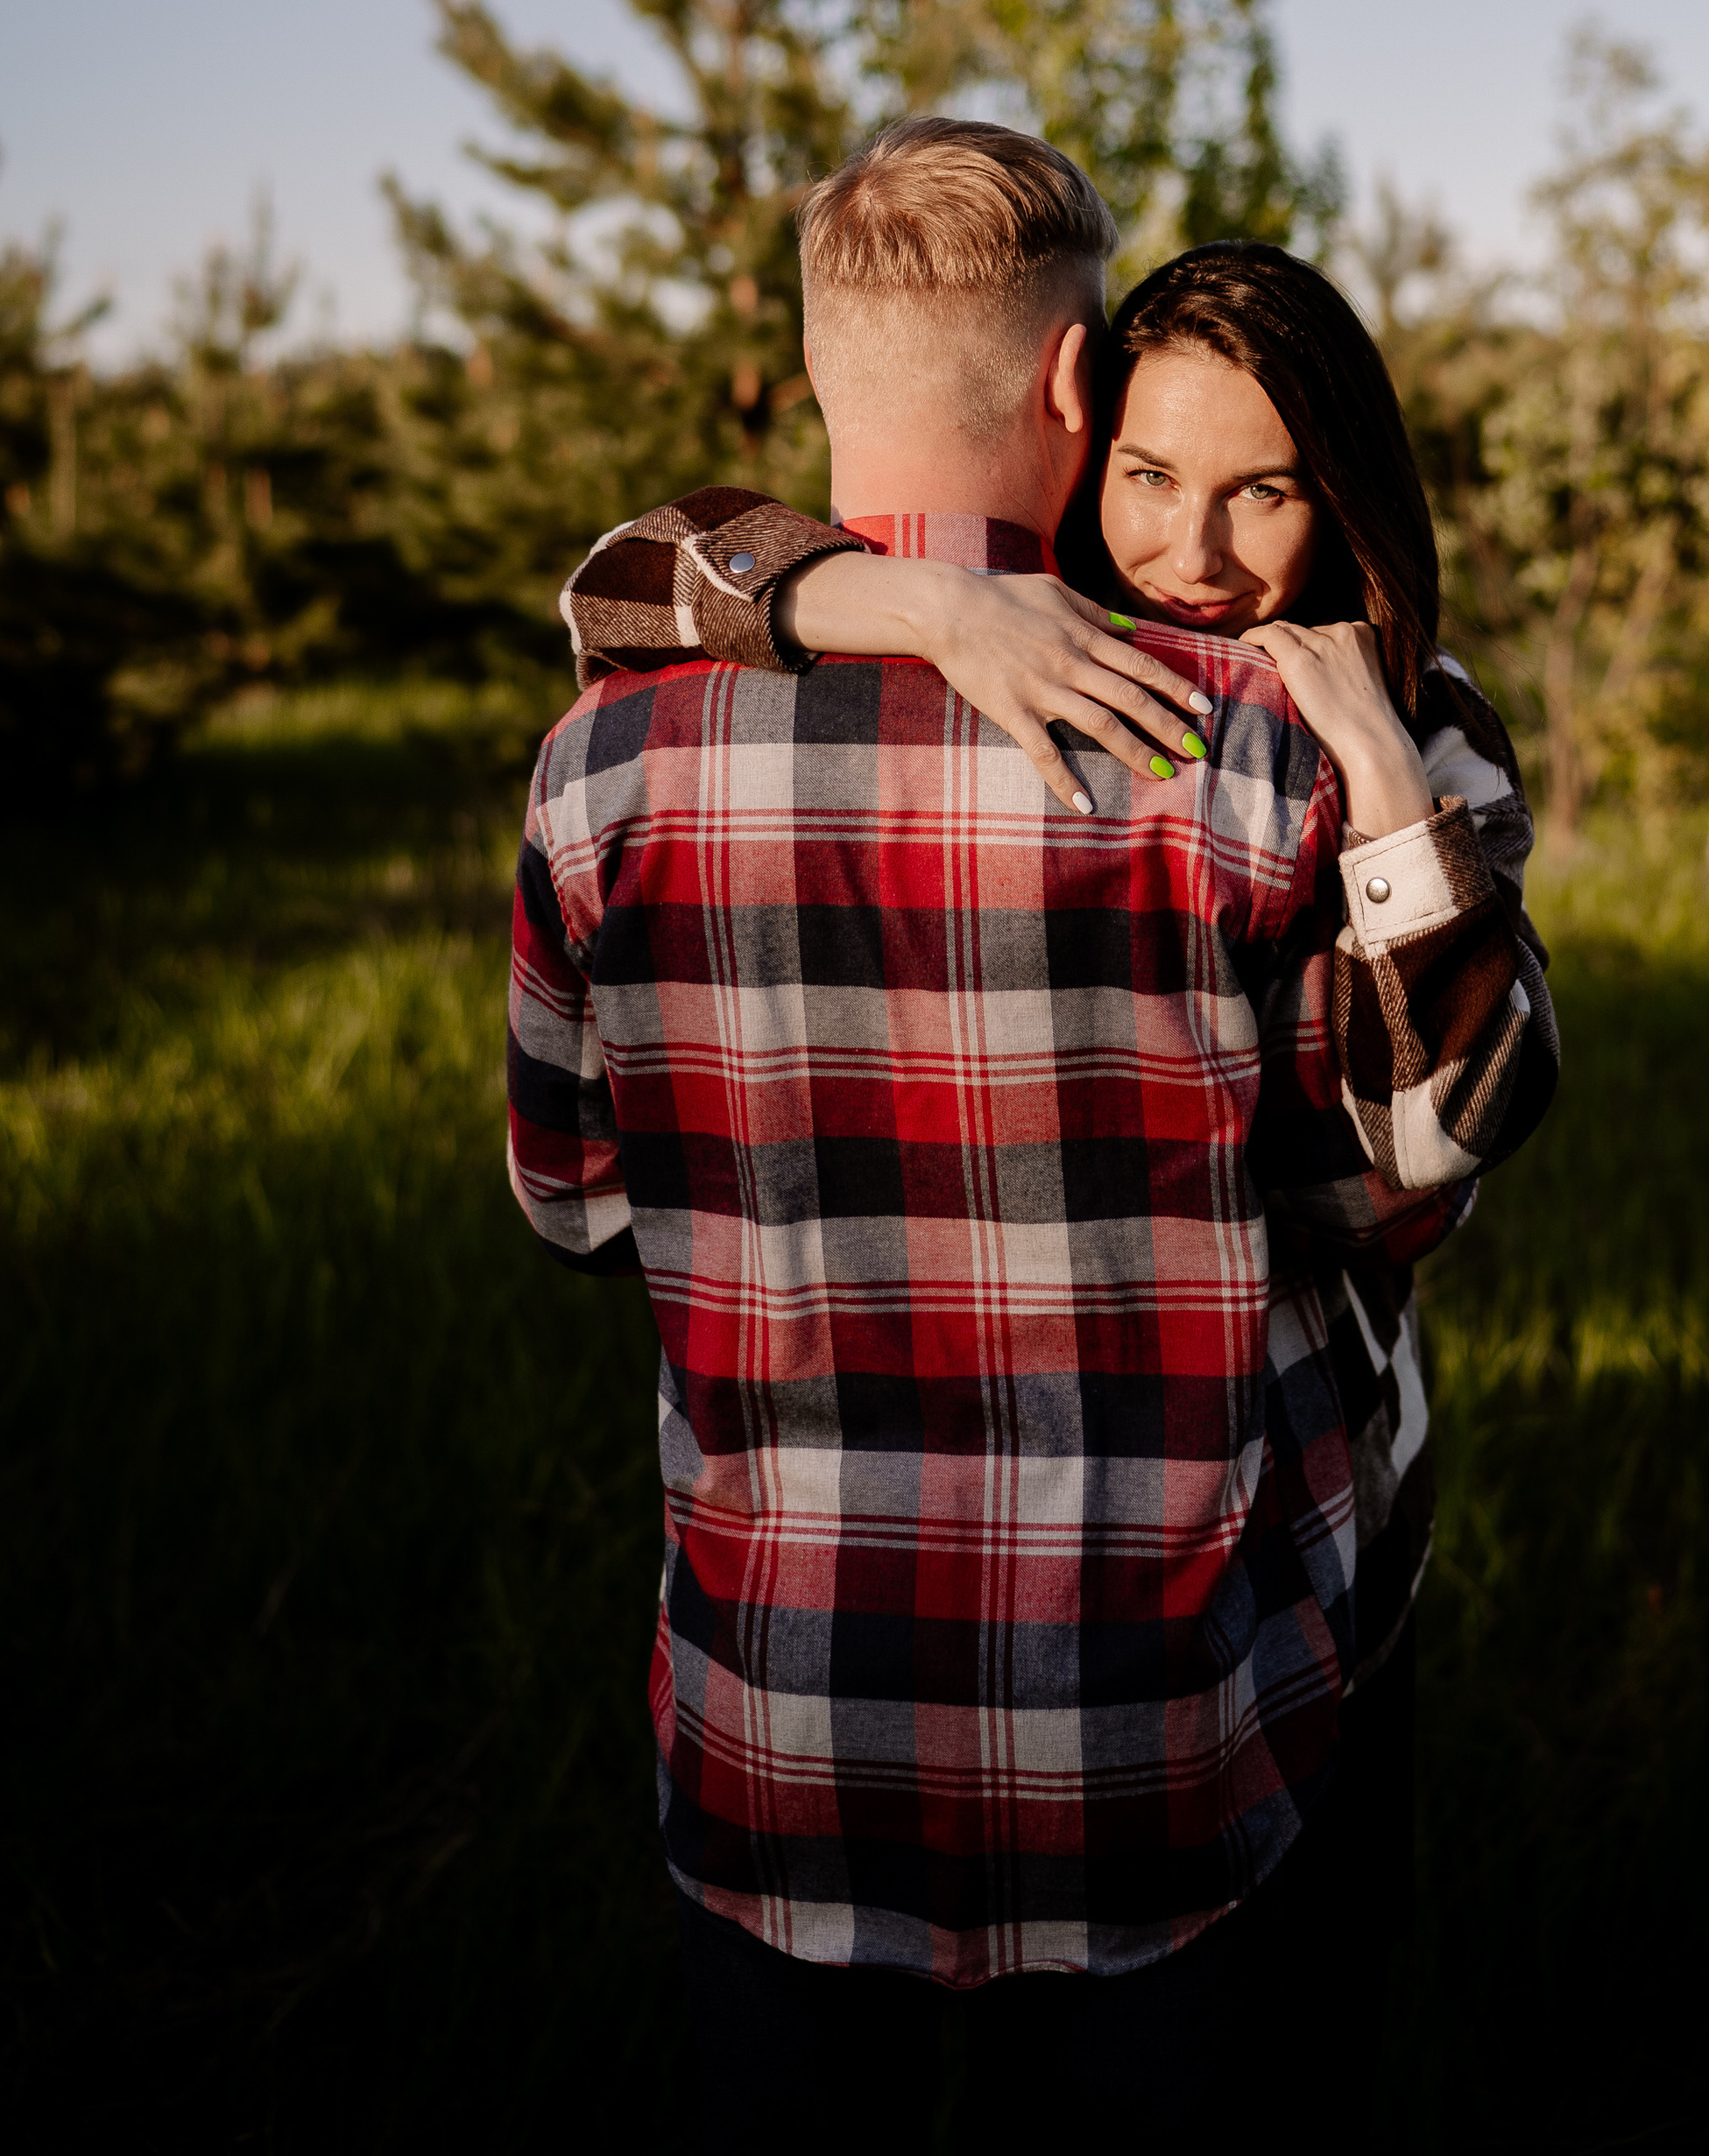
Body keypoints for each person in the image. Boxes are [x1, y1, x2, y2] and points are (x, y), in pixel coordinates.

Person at [515, 120, 1555, 2140]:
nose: (1194, 535)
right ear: (1078, 404)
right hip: (1147, 1725)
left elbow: (572, 1208)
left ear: (812, 372)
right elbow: (1391, 1182)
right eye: (1158, 471)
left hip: (784, 1704)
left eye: (1260, 484)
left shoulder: (595, 765)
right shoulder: (1233, 759)